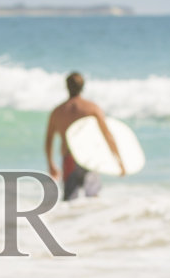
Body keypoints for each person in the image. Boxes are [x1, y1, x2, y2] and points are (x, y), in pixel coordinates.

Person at [44, 71, 124, 201]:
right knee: (93, 199)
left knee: (70, 200)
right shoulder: (92, 108)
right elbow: (107, 135)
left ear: (67, 87)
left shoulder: (57, 111)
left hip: (69, 158)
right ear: (83, 87)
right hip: (88, 158)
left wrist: (51, 164)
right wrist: (119, 161)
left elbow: (49, 140)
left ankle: (69, 222)